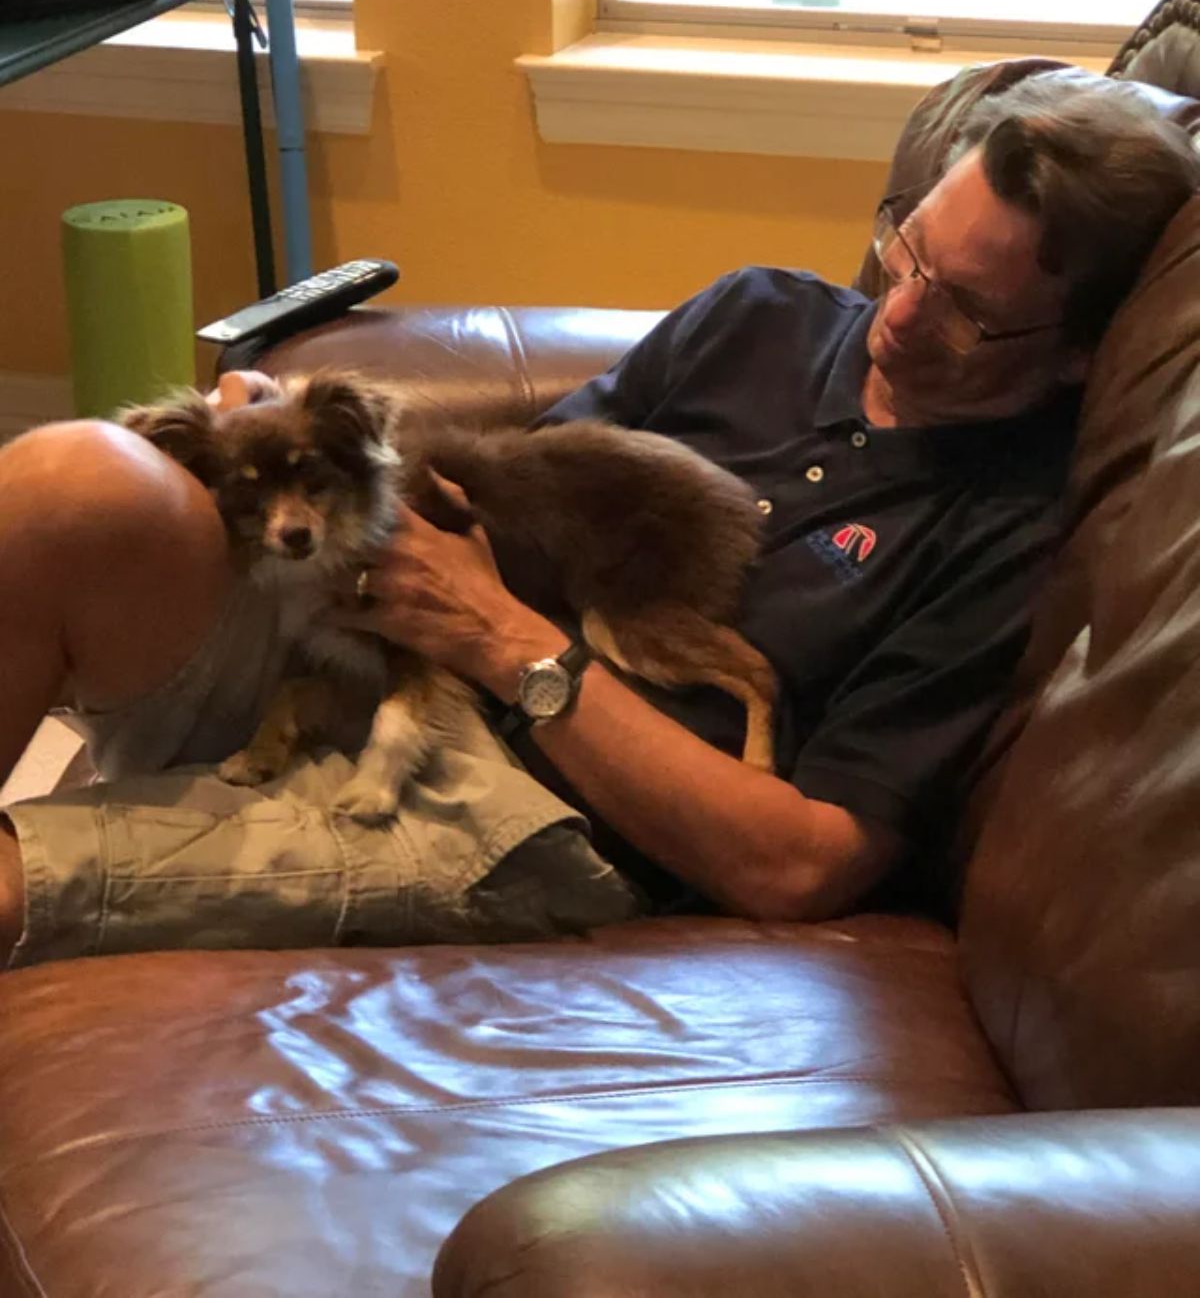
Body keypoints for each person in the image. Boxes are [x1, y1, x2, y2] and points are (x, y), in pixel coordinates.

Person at [1, 74, 1197, 967]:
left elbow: (803, 859)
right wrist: (284, 430)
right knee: (76, 482)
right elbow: (507, 483)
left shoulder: (1005, 531)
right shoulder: (760, 314)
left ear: (1080, 352)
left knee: (30, 877)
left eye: (967, 312)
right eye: (910, 247)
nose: (897, 312)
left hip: (522, 806)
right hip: (371, 637)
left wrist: (513, 648)